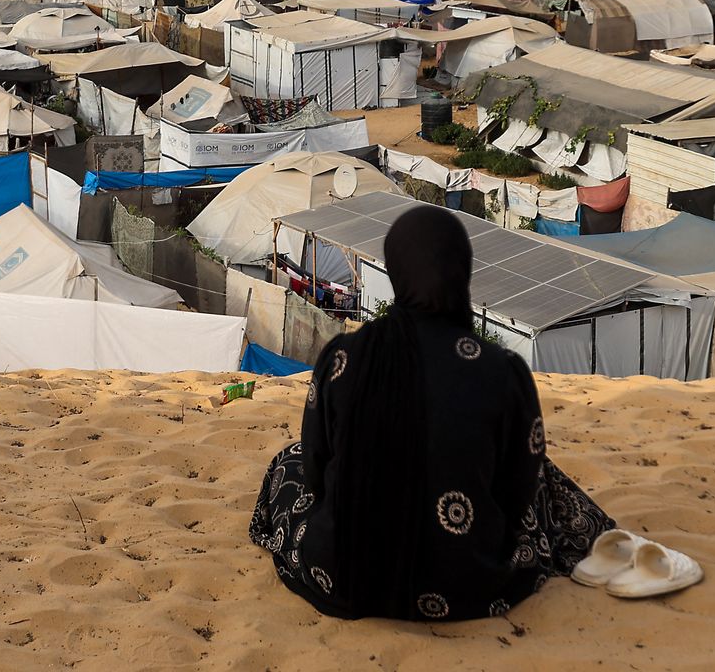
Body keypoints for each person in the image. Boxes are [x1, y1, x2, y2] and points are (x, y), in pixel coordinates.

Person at [250, 205, 616, 621]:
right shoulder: (501, 371)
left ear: (395, 271)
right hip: (469, 582)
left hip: (343, 576)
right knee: (541, 477)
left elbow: (316, 469)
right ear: (462, 270)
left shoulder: (343, 358)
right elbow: (516, 491)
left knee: (289, 462)